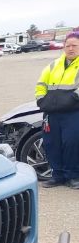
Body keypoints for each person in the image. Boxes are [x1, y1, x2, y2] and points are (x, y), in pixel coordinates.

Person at [36, 31, 79, 188]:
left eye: (74, 45)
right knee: (51, 144)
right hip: (52, 113)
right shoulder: (53, 65)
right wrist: (40, 100)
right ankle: (57, 176)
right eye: (67, 46)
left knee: (71, 144)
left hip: (73, 113)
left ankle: (73, 176)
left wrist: (71, 99)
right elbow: (41, 84)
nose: (70, 49)